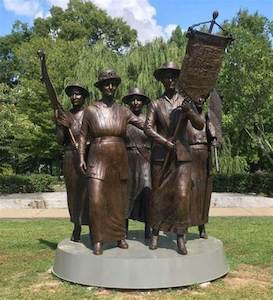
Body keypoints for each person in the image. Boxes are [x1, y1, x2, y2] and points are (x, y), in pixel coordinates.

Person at [79, 70, 144, 255]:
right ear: (100, 87)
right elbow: (83, 137)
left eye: (113, 83)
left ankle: (119, 236)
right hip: (97, 156)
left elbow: (144, 126)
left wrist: (164, 139)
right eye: (106, 83)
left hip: (118, 156)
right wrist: (81, 157)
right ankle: (98, 238)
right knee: (97, 199)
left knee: (118, 199)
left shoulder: (124, 110)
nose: (110, 87)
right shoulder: (91, 110)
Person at [144, 62, 204, 255]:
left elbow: (200, 124)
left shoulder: (186, 103)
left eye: (173, 76)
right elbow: (147, 128)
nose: (170, 80)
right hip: (161, 157)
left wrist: (190, 112)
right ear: (161, 80)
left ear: (178, 79)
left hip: (183, 157)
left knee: (182, 196)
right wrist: (163, 142)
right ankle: (155, 232)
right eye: (166, 77)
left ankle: (180, 236)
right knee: (158, 196)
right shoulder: (155, 104)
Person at [38, 50, 89, 242]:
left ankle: (91, 225)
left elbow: (94, 136)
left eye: (79, 94)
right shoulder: (65, 115)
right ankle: (76, 225)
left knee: (89, 192)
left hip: (88, 155)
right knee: (74, 193)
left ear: (84, 97)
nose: (75, 96)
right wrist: (60, 125)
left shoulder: (90, 113)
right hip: (69, 157)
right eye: (73, 94)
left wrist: (85, 145)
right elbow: (59, 141)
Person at [122, 88, 151, 240]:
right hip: (127, 159)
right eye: (132, 99)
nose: (135, 102)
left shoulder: (149, 120)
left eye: (139, 99)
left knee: (147, 191)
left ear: (143, 102)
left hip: (145, 160)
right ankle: (124, 229)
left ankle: (148, 227)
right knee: (126, 194)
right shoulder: (124, 121)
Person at [188, 96, 217, 238]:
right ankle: (185, 226)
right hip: (190, 154)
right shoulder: (187, 116)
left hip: (204, 155)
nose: (199, 100)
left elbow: (212, 130)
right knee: (190, 191)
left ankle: (202, 225)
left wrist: (214, 138)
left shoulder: (206, 116)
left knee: (203, 192)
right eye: (197, 97)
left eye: (202, 98)